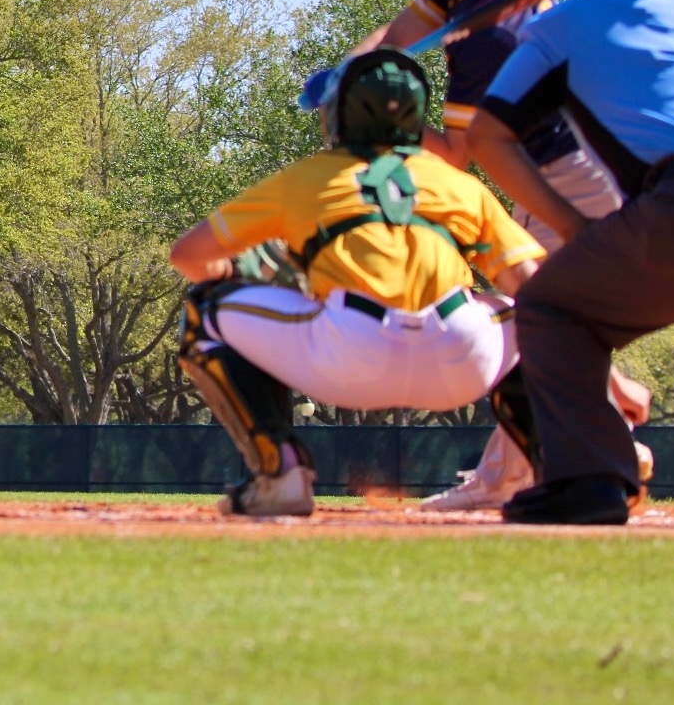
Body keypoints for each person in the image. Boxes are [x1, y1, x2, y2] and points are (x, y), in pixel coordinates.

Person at [345, 0, 644, 509]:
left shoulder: (491, 39)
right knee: (535, 317)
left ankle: (532, 465)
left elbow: (459, 156)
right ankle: (576, 440)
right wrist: (360, 66)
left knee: (529, 314)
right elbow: (396, 38)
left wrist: (386, 116)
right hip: (555, 165)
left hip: (571, 171)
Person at [169, 48, 545, 516]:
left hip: (347, 355)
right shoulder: (461, 185)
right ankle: (567, 467)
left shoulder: (307, 178)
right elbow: (540, 290)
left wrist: (245, 285)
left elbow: (188, 257)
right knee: (535, 312)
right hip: (462, 359)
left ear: (338, 115)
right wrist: (603, 385)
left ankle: (280, 471)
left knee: (204, 310)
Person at [471, 0, 674, 525]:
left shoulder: (572, 19)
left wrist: (569, 224)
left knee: (553, 308)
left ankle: (593, 479)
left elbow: (488, 134)